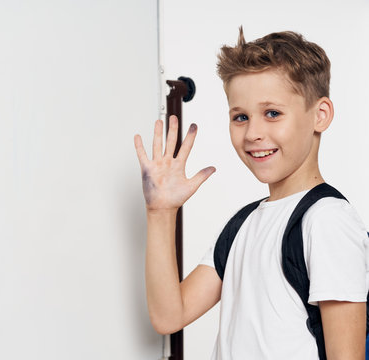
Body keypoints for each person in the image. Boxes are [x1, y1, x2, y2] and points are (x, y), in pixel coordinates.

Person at [133, 26, 368, 359]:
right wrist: (160, 212)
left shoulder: (327, 221)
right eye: (240, 117)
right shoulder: (244, 224)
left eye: (272, 113)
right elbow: (169, 315)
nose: (254, 133)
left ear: (320, 114)